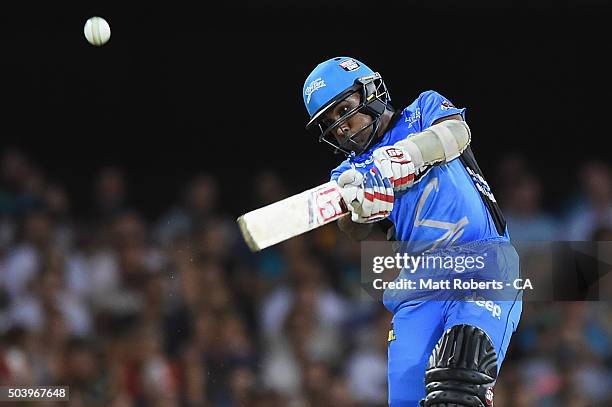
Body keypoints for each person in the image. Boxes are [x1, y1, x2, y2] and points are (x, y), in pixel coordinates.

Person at [302, 57, 522, 406]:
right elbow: (351, 230)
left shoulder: (423, 110)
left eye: (344, 109)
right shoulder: (349, 171)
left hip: (483, 264)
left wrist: (405, 156)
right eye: (329, 122)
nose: (340, 127)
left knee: (460, 383)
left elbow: (456, 134)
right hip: (419, 287)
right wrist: (360, 211)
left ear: (370, 93)